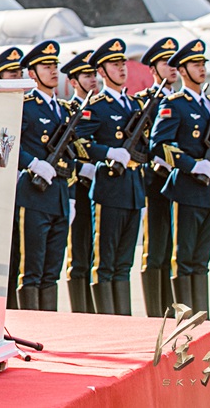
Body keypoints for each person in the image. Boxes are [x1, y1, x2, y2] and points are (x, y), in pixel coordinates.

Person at [148, 39, 210, 315]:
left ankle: (202, 319)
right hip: (187, 189)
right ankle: (186, 320)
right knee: (184, 259)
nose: (202, 69)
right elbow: (159, 144)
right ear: (181, 70)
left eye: (203, 63)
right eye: (195, 64)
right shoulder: (174, 104)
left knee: (201, 260)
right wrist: (192, 165)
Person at [76, 38, 145, 315]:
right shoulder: (98, 105)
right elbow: (78, 142)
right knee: (104, 262)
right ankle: (107, 322)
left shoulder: (134, 105)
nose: (121, 69)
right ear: (102, 73)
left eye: (122, 64)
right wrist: (108, 152)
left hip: (133, 190)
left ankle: (124, 319)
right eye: (114, 65)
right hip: (109, 189)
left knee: (123, 263)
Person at [11, 41, 80, 311]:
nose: (53, 71)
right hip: (34, 197)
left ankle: (50, 327)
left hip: (60, 196)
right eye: (46, 66)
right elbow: (6, 142)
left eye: (54, 66)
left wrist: (72, 197)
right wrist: (32, 163)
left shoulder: (63, 110)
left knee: (52, 271)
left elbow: (70, 157)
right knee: (32, 269)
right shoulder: (26, 105)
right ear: (32, 73)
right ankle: (33, 329)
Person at [135, 37, 179, 317]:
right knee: (156, 249)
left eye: (175, 63)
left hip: (181, 184)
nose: (173, 67)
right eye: (166, 63)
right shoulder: (144, 102)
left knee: (175, 251)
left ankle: (173, 312)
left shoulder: (182, 102)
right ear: (153, 68)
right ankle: (155, 315)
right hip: (155, 184)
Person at [59, 50, 97, 313]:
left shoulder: (100, 108)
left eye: (94, 74)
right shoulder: (71, 110)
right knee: (79, 254)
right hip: (80, 188)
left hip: (101, 189)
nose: (92, 79)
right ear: (73, 82)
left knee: (94, 253)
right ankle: (80, 311)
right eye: (86, 75)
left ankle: (93, 310)